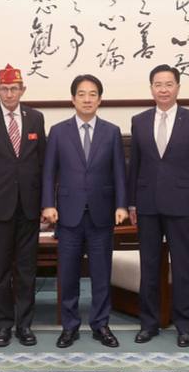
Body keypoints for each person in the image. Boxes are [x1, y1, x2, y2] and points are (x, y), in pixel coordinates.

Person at [42, 74, 128, 348]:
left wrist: (122, 205)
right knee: (68, 273)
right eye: (82, 94)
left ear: (100, 99)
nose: (87, 99)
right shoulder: (58, 131)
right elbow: (48, 173)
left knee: (101, 273)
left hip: (102, 213)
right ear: (73, 99)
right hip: (67, 214)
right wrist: (48, 204)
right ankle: (70, 326)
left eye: (93, 94)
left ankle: (101, 325)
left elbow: (119, 173)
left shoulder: (112, 131)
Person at [127, 64, 189, 347]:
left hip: (182, 205)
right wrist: (131, 203)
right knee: (149, 266)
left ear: (178, 87)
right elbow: (134, 166)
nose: (163, 89)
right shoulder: (139, 121)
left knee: (184, 266)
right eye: (158, 84)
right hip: (147, 204)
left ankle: (185, 325)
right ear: (151, 88)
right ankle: (148, 323)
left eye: (168, 84)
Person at [0, 64, 46, 348]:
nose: (10, 93)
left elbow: (42, 164)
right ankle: (3, 325)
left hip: (29, 207)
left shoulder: (35, 118)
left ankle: (24, 325)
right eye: (4, 88)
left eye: (15, 88)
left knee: (26, 270)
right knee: (0, 270)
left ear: (22, 90)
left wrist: (45, 204)